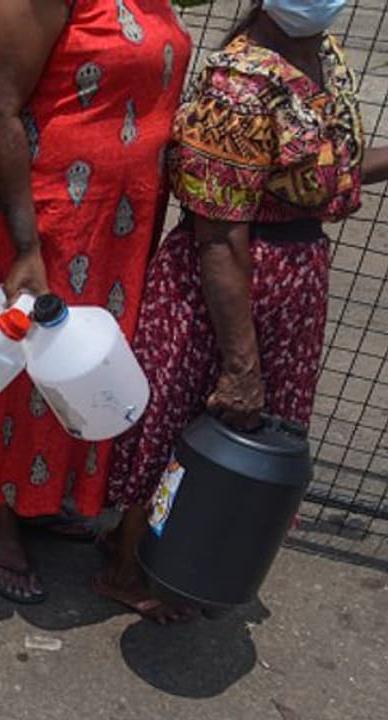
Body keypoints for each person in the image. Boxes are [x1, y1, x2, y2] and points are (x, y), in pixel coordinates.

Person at [106, 0, 387, 622]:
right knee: (181, 421)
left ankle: (182, 550)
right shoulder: (238, 86)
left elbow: (321, 175)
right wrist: (241, 363)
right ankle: (125, 562)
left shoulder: (322, 55)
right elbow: (218, 236)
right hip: (227, 282)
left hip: (293, 276)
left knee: (248, 434)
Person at [0, 0, 191, 605]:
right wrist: (26, 245)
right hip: (47, 215)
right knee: (24, 365)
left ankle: (38, 500)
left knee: (76, 367)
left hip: (115, 225)